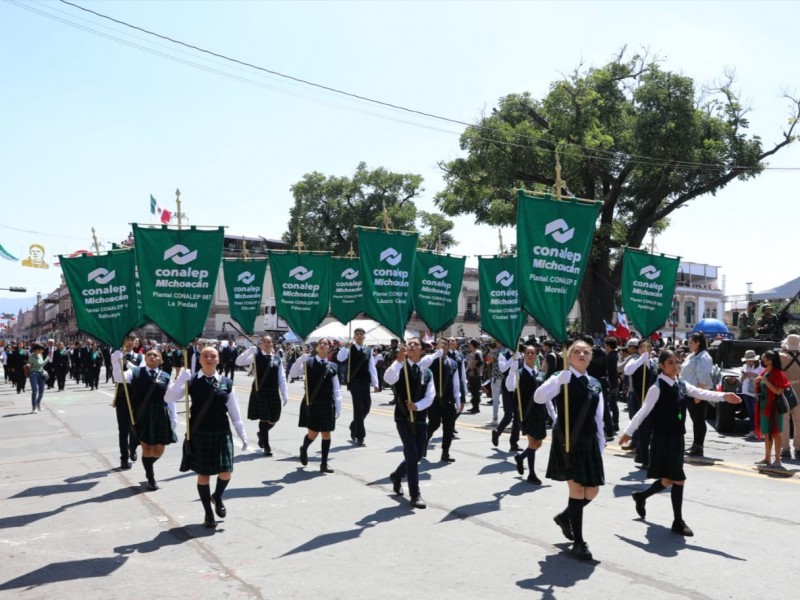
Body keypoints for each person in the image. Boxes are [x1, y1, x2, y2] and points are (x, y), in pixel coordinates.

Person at [619, 349, 742, 536]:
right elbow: (642, 412)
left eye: (676, 362)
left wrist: (724, 396)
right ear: (661, 366)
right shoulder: (656, 388)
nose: (675, 366)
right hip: (662, 438)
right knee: (679, 479)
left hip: (677, 437)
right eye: (670, 362)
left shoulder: (681, 384)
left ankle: (641, 496)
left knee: (668, 480)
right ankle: (678, 521)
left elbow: (701, 392)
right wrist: (628, 432)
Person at [534, 339, 605, 561]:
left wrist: (601, 441)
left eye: (586, 352)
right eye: (577, 352)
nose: (582, 354)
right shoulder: (561, 377)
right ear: (569, 356)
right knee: (577, 491)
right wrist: (556, 382)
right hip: (568, 440)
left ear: (590, 357)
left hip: (589, 440)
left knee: (592, 491)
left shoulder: (595, 383)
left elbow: (599, 415)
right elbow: (539, 397)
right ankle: (579, 542)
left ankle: (565, 517)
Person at [167, 346, 248, 528]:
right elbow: (168, 397)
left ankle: (217, 496)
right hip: (200, 433)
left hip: (221, 432)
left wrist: (242, 435)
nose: (209, 358)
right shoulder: (192, 380)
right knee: (203, 475)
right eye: (205, 356)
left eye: (213, 356)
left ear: (218, 360)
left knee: (226, 472)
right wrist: (181, 379)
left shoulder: (227, 382)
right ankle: (208, 513)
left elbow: (235, 412)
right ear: (200, 359)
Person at [384, 338, 435, 509]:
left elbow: (430, 396)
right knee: (412, 454)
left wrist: (417, 406)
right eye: (410, 344)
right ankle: (415, 494)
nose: (412, 346)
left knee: (419, 454)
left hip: (420, 418)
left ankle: (397, 475)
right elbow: (389, 378)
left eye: (416, 344)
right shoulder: (400, 367)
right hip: (403, 417)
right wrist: (398, 361)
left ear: (422, 351)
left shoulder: (427, 373)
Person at [120, 348, 177, 490]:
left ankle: (147, 464)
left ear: (160, 359)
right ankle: (151, 478)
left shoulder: (165, 375)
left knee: (159, 450)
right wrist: (116, 362)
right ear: (145, 358)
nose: (153, 356)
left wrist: (173, 416)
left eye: (156, 355)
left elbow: (170, 398)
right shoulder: (136, 372)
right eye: (149, 354)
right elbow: (119, 377)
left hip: (160, 413)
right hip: (142, 414)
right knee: (147, 447)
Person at [506, 345, 556, 484]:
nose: (530, 355)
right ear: (524, 355)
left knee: (538, 443)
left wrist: (553, 415)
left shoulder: (540, 374)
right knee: (532, 442)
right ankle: (532, 474)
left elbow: (546, 396)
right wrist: (511, 370)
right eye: (527, 353)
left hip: (539, 412)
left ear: (536, 356)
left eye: (533, 353)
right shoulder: (519, 373)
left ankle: (520, 457)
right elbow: (510, 386)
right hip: (527, 413)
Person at [290, 338, 341, 473]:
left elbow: (336, 388)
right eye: (321, 343)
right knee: (313, 434)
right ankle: (304, 448)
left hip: (327, 403)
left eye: (326, 344)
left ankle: (323, 464)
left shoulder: (333, 366)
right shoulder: (309, 362)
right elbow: (293, 373)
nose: (323, 345)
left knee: (326, 433)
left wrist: (339, 406)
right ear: (317, 347)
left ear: (329, 348)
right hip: (312, 402)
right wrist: (301, 359)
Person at [235, 336, 288, 456]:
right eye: (265, 342)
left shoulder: (277, 358)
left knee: (274, 418)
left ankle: (261, 434)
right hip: (260, 390)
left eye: (269, 342)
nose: (267, 344)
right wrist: (249, 350)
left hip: (273, 391)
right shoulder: (255, 356)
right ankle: (267, 446)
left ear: (272, 344)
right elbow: (238, 362)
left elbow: (282, 377)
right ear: (260, 344)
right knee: (264, 418)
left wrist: (285, 393)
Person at [418, 340, 462, 462]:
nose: (443, 347)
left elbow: (456, 383)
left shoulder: (453, 363)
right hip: (435, 400)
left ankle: (445, 452)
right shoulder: (431, 359)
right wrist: (436, 355)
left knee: (449, 428)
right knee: (433, 424)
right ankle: (424, 443)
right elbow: (421, 365)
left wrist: (458, 399)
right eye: (440, 344)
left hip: (448, 400)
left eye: (446, 344)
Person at [337, 328, 379, 447]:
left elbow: (372, 366)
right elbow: (340, 358)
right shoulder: (350, 348)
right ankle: (360, 435)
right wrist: (345, 346)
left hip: (365, 381)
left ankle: (353, 425)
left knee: (367, 407)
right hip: (354, 381)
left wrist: (376, 383)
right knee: (358, 408)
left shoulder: (368, 350)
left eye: (361, 334)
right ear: (354, 337)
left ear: (364, 336)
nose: (359, 336)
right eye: (357, 334)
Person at [623, 339, 657, 468]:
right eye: (641, 347)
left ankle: (640, 455)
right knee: (643, 429)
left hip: (652, 400)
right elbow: (627, 370)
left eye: (647, 347)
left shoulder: (654, 362)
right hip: (639, 399)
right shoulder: (635, 361)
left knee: (652, 430)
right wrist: (641, 360)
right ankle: (644, 459)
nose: (644, 350)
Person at [111, 335, 144, 470]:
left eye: (133, 340)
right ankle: (123, 458)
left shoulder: (140, 357)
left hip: (136, 397)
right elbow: (116, 377)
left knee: (135, 426)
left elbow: (140, 373)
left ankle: (132, 448)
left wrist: (127, 364)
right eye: (128, 339)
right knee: (123, 429)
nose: (131, 342)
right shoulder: (117, 355)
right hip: (122, 397)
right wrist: (119, 358)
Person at [754, 350, 790, 468]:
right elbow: (761, 388)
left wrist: (766, 381)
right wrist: (757, 382)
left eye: (764, 358)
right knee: (767, 432)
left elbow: (778, 392)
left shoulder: (778, 373)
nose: (762, 360)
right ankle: (767, 458)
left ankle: (778, 459)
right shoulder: (765, 371)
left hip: (774, 407)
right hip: (764, 405)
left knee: (775, 433)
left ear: (771, 360)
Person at [681, 333, 714, 457]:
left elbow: (703, 378)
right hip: (688, 392)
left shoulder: (703, 357)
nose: (689, 344)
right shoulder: (692, 355)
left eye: (691, 342)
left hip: (697, 392)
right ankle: (695, 444)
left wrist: (698, 395)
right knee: (695, 420)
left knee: (699, 420)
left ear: (697, 342)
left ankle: (698, 446)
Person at [491, 344, 522, 452]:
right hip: (507, 386)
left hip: (518, 387)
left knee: (518, 416)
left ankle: (514, 442)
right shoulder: (502, 354)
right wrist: (513, 359)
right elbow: (503, 368)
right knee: (508, 414)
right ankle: (497, 432)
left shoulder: (520, 355)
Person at [779, 334, 800, 460]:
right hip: (799, 392)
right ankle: (798, 448)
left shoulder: (781, 356)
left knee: (784, 421)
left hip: (785, 390)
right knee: (799, 422)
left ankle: (785, 448)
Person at [740, 350, 762, 440]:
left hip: (755, 392)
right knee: (750, 412)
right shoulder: (745, 366)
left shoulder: (760, 366)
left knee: (756, 412)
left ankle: (759, 431)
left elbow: (762, 377)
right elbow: (740, 380)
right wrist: (745, 374)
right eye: (747, 360)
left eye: (750, 360)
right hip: (746, 391)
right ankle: (753, 430)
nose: (749, 362)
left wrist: (753, 374)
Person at [27, 342, 48, 413]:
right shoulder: (31, 356)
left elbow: (41, 366)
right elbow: (40, 364)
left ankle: (38, 402)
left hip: (41, 374)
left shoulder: (40, 355)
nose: (43, 351)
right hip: (34, 374)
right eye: (41, 349)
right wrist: (47, 359)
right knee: (35, 390)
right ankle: (34, 407)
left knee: (41, 391)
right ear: (37, 349)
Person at [465, 339, 483, 414]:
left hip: (475, 375)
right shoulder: (472, 353)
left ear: (472, 345)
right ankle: (474, 406)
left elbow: (481, 362)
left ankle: (476, 408)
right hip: (471, 375)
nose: (468, 345)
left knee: (475, 392)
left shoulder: (477, 353)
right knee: (473, 392)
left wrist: (473, 367)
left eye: (469, 344)